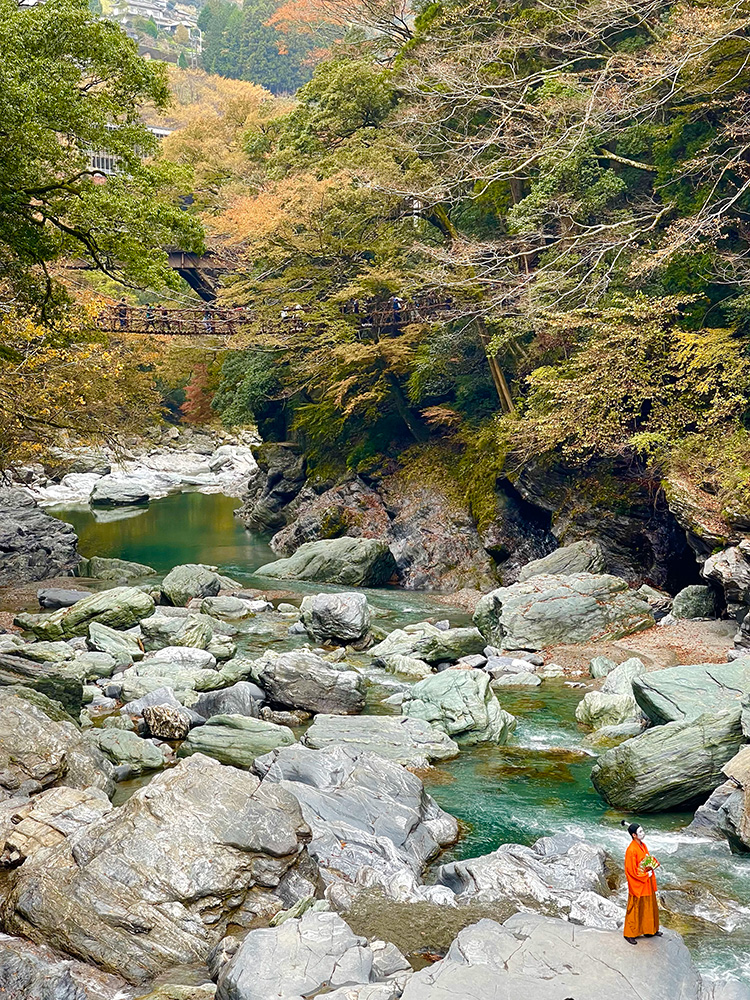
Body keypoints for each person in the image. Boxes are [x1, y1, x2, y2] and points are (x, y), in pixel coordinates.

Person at [622, 821, 662, 945]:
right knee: (635, 907)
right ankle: (629, 933)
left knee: (649, 905)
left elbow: (646, 862)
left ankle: (650, 930)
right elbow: (631, 871)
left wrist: (649, 871)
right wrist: (645, 874)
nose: (643, 833)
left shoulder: (642, 846)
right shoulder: (631, 850)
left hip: (646, 881)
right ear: (634, 835)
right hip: (638, 882)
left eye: (642, 831)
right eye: (640, 832)